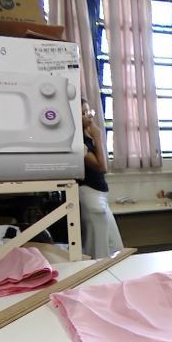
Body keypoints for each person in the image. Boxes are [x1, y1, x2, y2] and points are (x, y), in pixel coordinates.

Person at [78, 99, 124, 259]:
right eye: (83, 113)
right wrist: (98, 137)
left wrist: (95, 138)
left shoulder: (86, 138)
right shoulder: (78, 141)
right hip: (89, 194)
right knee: (99, 246)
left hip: (99, 195)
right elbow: (102, 166)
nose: (89, 117)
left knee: (113, 244)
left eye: (89, 112)